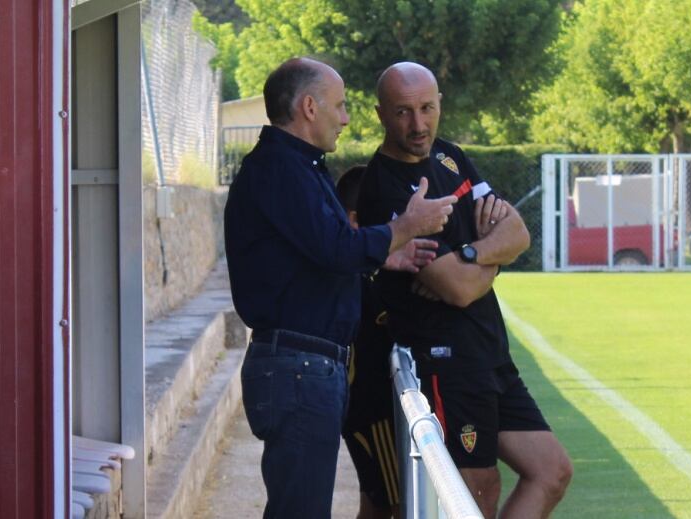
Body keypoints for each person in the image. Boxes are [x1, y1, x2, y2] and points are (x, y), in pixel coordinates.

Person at [223, 57, 457, 519]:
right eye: (341, 105)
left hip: (304, 366)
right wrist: (407, 226)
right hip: (298, 368)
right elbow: (333, 247)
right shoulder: (281, 169)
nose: (347, 118)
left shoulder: (296, 167)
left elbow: (321, 253)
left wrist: (384, 255)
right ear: (310, 107)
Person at [356, 62, 573, 519]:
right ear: (380, 114)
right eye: (403, 112)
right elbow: (455, 289)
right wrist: (489, 257)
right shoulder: (384, 187)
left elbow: (518, 233)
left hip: (491, 352)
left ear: (440, 104)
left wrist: (473, 257)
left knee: (551, 471)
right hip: (446, 362)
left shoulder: (450, 157)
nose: (418, 124)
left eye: (427, 108)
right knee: (477, 492)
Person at [336, 166, 400, 519]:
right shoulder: (357, 276)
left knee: (376, 507)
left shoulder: (360, 270)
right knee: (399, 505)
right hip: (372, 412)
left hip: (365, 410)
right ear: (356, 220)